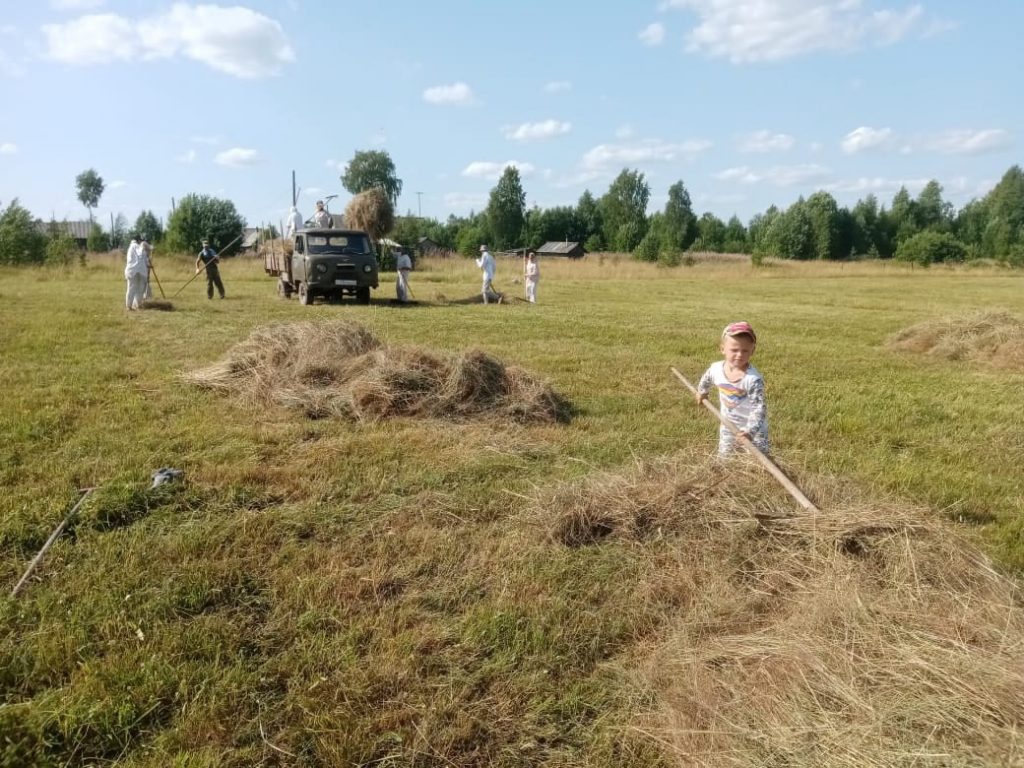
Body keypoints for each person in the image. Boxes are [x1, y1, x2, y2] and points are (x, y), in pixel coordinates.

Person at [695, 321, 769, 456]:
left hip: (754, 429)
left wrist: (750, 432)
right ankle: (723, 472)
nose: (740, 354)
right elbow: (706, 379)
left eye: (745, 350)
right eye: (734, 350)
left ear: (752, 350)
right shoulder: (716, 369)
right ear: (723, 348)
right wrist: (702, 392)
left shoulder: (753, 379)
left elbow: (759, 409)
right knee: (725, 455)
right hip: (728, 423)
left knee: (759, 458)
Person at [124, 235, 147, 310]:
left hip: (136, 271)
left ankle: (137, 305)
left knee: (138, 288)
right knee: (131, 288)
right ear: (138, 240)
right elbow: (140, 253)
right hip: (133, 271)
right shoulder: (135, 246)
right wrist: (145, 245)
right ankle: (129, 306)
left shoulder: (132, 247)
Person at [140, 235, 153, 300]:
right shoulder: (143, 244)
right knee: (146, 281)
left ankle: (146, 295)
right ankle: (147, 295)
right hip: (145, 266)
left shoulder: (141, 245)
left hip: (144, 265)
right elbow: (151, 248)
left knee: (146, 281)